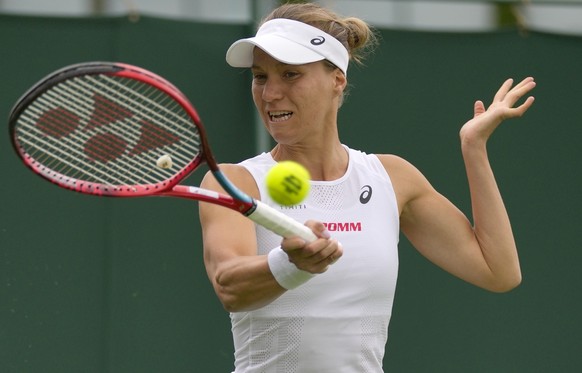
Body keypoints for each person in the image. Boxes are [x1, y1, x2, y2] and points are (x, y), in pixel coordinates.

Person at [199, 2, 536, 372]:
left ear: (337, 80)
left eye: (290, 74)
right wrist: (291, 263)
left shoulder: (392, 178)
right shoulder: (233, 182)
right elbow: (230, 287)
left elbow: (499, 271)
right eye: (260, 76)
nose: (269, 93)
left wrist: (474, 149)